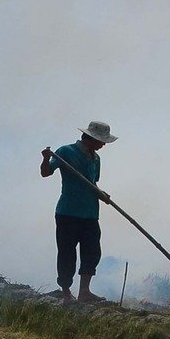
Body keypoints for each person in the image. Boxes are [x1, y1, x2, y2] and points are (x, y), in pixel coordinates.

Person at [41, 120, 117, 300]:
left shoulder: (96, 159)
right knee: (67, 252)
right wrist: (45, 158)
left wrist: (101, 194)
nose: (104, 144)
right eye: (101, 141)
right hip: (68, 212)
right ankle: (66, 292)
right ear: (90, 138)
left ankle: (84, 291)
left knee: (92, 251)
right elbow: (46, 173)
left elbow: (91, 184)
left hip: (90, 213)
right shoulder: (66, 152)